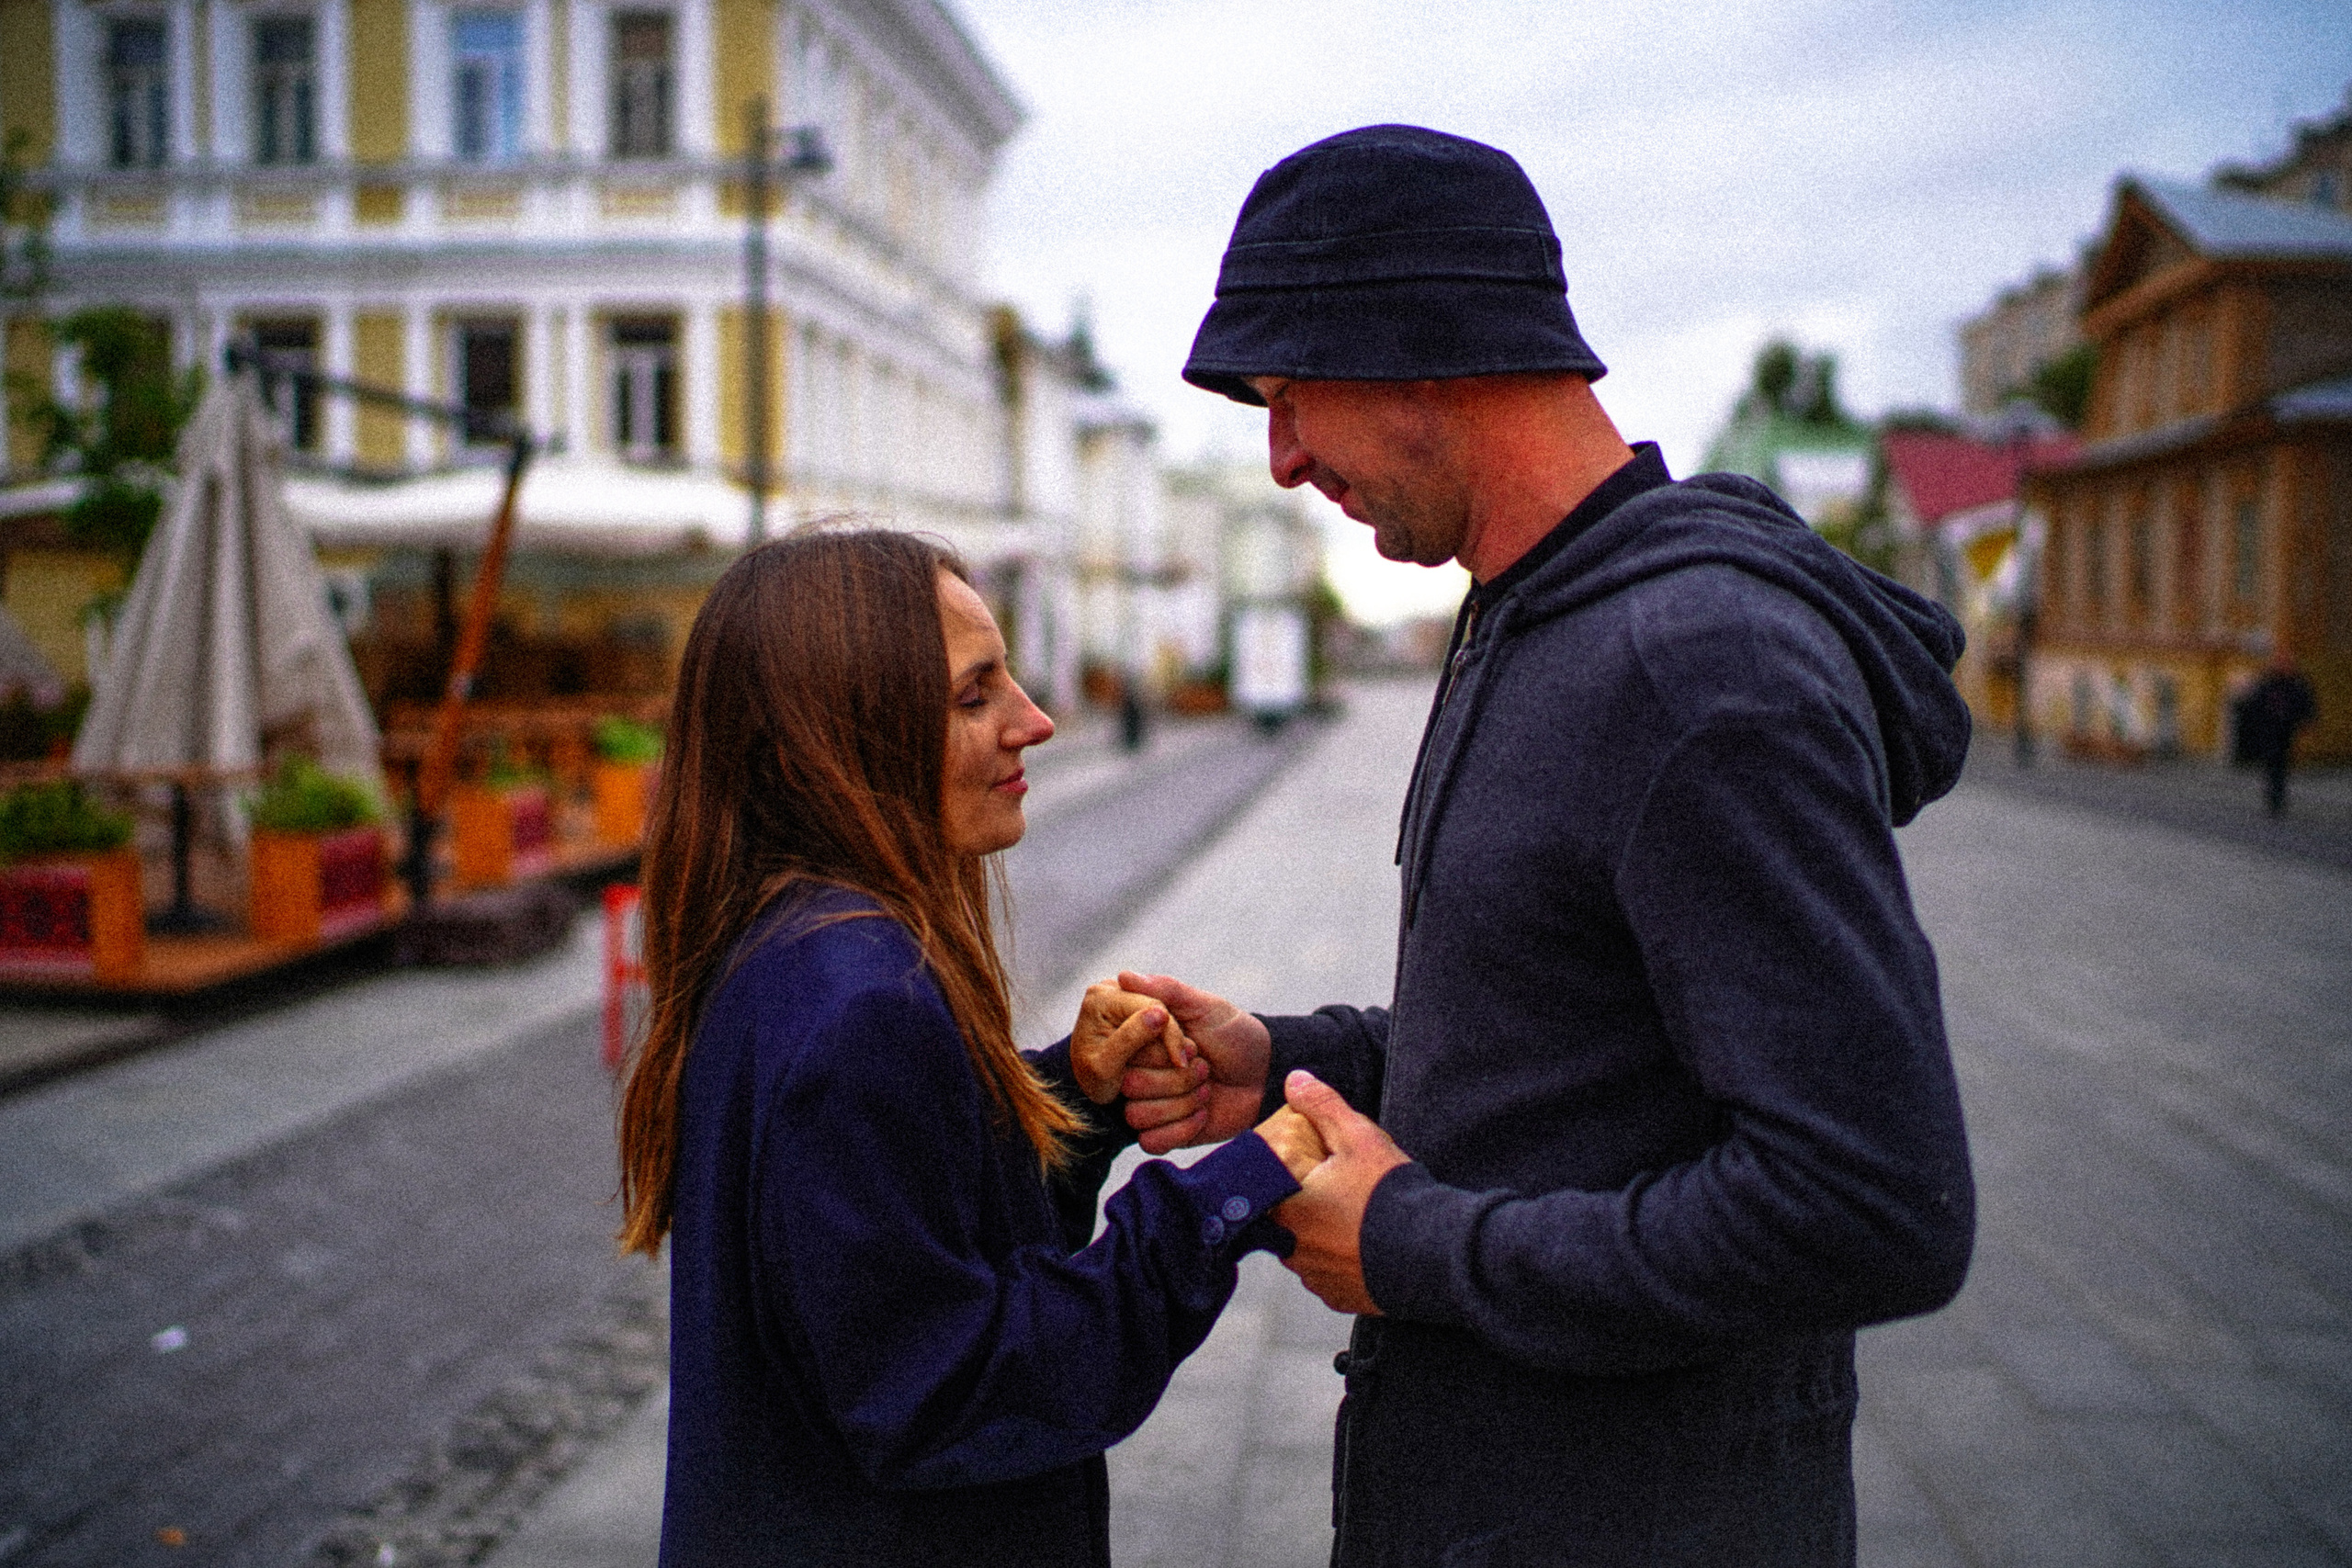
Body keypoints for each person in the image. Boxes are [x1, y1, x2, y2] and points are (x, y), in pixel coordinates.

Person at [1115, 126, 1979, 1566]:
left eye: (1283, 393)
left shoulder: (1693, 666)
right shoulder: (1533, 613)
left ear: (1420, 345)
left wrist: (1411, 1246)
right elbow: (1571, 1046)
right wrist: (1290, 1056)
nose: (1274, 461)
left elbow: (1875, 1204)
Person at [614, 528, 1324, 1567]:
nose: (1033, 722)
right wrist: (1229, 1199)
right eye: (972, 696)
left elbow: (902, 1243)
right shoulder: (860, 997)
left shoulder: (787, 941)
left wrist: (1067, 1102)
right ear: (841, 731)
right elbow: (945, 1392)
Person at [2238, 653, 2319, 817]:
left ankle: (2277, 797)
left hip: (2286, 729)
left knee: (2280, 764)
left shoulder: (2296, 684)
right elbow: (2256, 704)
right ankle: (2274, 798)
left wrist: (2307, 721)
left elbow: (2306, 703)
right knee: (2274, 764)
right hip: (2269, 729)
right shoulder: (2268, 683)